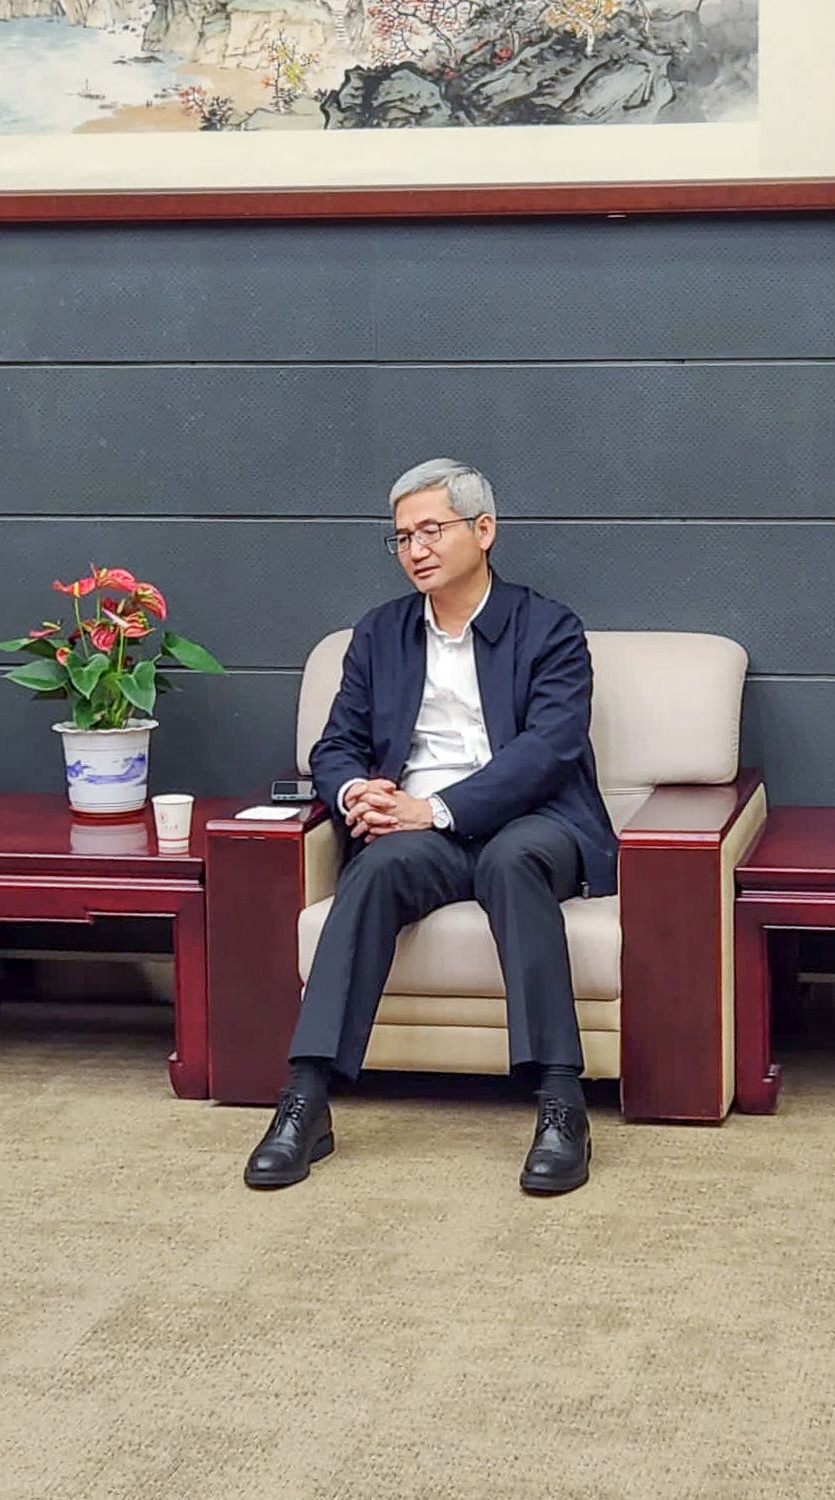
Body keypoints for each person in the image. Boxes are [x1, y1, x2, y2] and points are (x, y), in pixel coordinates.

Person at [243, 459, 616, 1195]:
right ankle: (306, 1100)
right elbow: (337, 743)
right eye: (402, 537)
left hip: (535, 822)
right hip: (425, 840)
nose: (415, 548)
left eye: (431, 530)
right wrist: (357, 792)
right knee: (374, 868)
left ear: (483, 530)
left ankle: (561, 1104)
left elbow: (550, 749)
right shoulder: (380, 634)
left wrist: (434, 808)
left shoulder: (549, 628)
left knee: (512, 863)